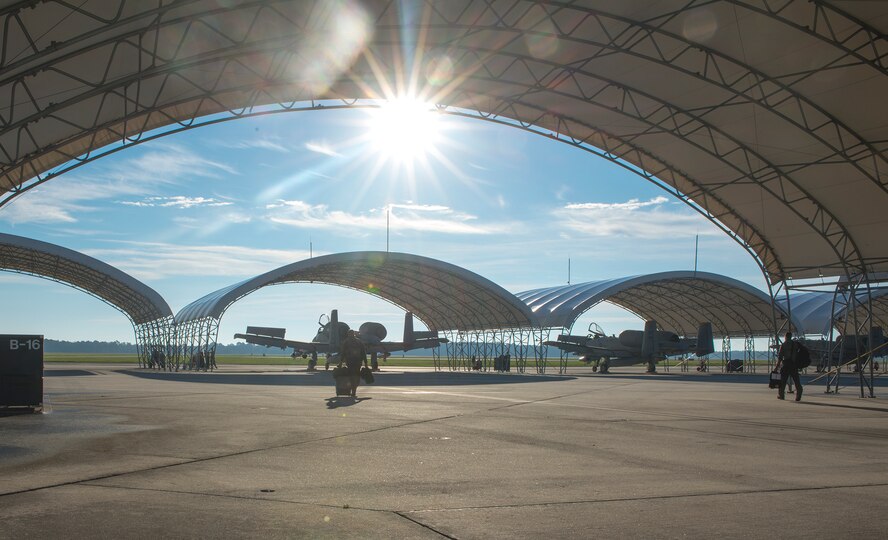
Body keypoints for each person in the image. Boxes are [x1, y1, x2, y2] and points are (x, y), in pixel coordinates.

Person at [339, 330, 368, 398]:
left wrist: (340, 362)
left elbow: (343, 353)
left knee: (352, 377)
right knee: (355, 377)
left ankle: (353, 389)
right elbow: (363, 353)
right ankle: (353, 390)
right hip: (356, 362)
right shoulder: (359, 341)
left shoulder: (346, 342)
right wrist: (366, 363)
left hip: (351, 362)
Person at [776, 331, 803, 401]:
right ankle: (798, 394)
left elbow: (780, 357)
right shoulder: (795, 344)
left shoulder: (784, 345)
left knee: (783, 381)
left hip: (786, 364)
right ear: (791, 336)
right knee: (796, 381)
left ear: (785, 337)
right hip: (794, 365)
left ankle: (781, 395)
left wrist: (777, 367)